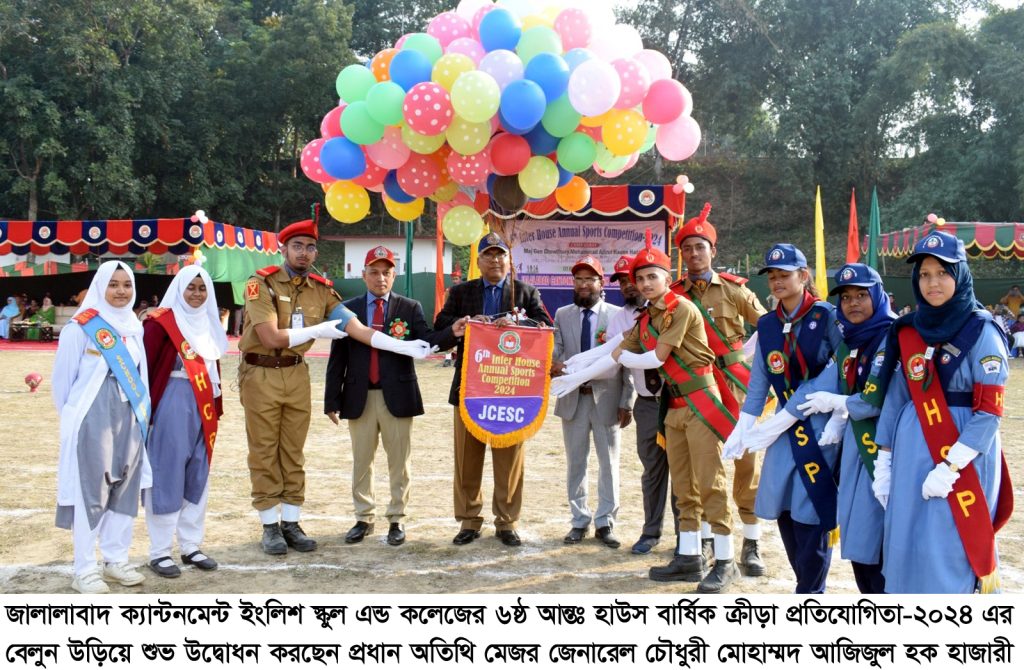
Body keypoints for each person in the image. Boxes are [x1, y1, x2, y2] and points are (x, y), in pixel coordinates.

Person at [554, 235, 738, 593]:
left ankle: (726, 560)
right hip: (673, 406)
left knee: (709, 483)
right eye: (639, 279)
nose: (644, 284)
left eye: (652, 276)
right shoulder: (646, 317)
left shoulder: (681, 308)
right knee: (684, 486)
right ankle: (688, 557)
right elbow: (611, 348)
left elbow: (654, 359)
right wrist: (575, 370)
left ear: (667, 278)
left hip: (700, 403)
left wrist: (615, 358)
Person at [239, 218, 432, 555]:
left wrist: (403, 347)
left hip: (296, 374)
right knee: (265, 450)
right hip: (262, 374)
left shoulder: (321, 290)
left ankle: (291, 522)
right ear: (283, 249)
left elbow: (357, 329)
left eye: (310, 247)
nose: (304, 252)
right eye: (297, 246)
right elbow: (269, 337)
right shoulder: (263, 283)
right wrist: (315, 332)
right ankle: (270, 524)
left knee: (294, 452)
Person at [871, 231, 1012, 593]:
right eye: (924, 274)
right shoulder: (909, 330)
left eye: (942, 273)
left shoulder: (983, 330)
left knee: (949, 541)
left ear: (960, 274)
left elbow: (989, 413)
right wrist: (883, 461)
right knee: (906, 536)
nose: (933, 283)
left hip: (961, 457)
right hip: (910, 456)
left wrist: (951, 467)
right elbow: (897, 397)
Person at [324, 245, 465, 547]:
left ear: (395, 275)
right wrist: (331, 400)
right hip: (359, 396)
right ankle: (363, 517)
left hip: (398, 396)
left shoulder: (409, 307)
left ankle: (397, 518)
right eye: (374, 272)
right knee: (362, 461)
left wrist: (452, 332)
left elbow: (426, 341)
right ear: (362, 275)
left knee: (399, 462)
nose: (380, 278)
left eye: (386, 272)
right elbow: (338, 357)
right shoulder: (348, 309)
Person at [722, 243, 843, 594]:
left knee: (812, 508)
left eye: (785, 275)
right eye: (772, 276)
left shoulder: (826, 316)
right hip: (780, 432)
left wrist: (792, 414)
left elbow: (842, 369)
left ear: (803, 276)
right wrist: (743, 427)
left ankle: (810, 590)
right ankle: (804, 581)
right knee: (785, 508)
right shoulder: (768, 324)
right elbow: (760, 380)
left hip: (818, 425)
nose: (777, 282)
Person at [778, 263, 897, 593]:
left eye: (862, 295)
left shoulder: (891, 337)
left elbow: (873, 399)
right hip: (858, 453)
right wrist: (839, 417)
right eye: (845, 297)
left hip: (888, 454)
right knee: (862, 541)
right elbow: (845, 385)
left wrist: (839, 406)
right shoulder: (851, 341)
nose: (853, 303)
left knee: (882, 544)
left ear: (879, 296)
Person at [434, 232, 553, 547]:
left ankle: (507, 522)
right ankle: (469, 520)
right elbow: (440, 330)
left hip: (511, 390)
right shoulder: (461, 293)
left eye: (501, 254)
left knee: (510, 459)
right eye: (489, 254)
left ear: (509, 260)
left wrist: (517, 327)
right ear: (479, 260)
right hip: (469, 389)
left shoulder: (526, 293)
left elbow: (543, 327)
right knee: (467, 460)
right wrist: (467, 322)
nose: (496, 260)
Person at [671, 203, 768, 576]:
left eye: (700, 247)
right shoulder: (675, 295)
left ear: (713, 251)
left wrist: (742, 357)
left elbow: (769, 326)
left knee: (746, 469)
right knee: (700, 472)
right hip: (696, 393)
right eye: (687, 249)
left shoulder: (733, 290)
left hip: (738, 392)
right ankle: (706, 545)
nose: (694, 255)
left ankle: (752, 544)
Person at [51, 261, 151, 593]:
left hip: (129, 417)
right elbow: (62, 385)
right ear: (99, 286)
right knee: (91, 492)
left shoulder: (135, 329)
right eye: (113, 284)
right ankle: (84, 569)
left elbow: (142, 379)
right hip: (92, 419)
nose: (121, 291)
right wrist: (75, 420)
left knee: (125, 490)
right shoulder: (80, 327)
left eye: (126, 284)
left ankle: (115, 560)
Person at [142, 265, 227, 578]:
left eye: (202, 288)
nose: (196, 294)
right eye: (190, 287)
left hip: (203, 407)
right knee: (167, 473)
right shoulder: (160, 324)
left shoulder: (209, 324)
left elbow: (213, 373)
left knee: (198, 474)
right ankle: (160, 551)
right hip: (171, 402)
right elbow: (146, 369)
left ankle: (191, 545)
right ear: (178, 288)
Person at [550, 256, 634, 549]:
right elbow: (555, 351)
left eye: (590, 279)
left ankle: (605, 521)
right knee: (576, 462)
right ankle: (579, 520)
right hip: (574, 400)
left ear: (601, 284)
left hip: (608, 400)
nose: (584, 285)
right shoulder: (562, 314)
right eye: (579, 279)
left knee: (609, 463)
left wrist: (627, 400)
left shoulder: (618, 315)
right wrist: (555, 364)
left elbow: (627, 362)